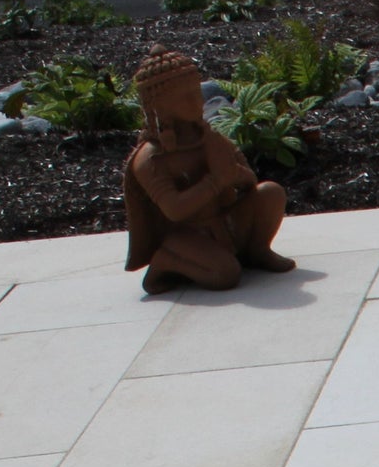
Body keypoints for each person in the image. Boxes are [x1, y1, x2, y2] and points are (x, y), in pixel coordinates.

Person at [124, 46, 294, 292]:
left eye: (196, 93)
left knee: (270, 192)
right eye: (184, 98)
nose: (197, 102)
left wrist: (235, 176)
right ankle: (166, 260)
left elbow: (249, 182)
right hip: (186, 234)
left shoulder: (210, 139)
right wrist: (215, 181)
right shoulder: (151, 157)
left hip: (225, 222)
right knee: (225, 275)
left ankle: (256, 250)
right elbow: (174, 209)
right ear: (160, 107)